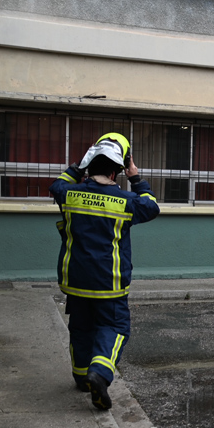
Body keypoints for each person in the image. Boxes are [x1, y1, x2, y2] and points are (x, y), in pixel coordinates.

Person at [49, 133, 160, 410]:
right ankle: (99, 373)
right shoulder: (126, 201)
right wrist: (135, 177)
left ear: (89, 164)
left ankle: (81, 376)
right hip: (109, 284)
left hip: (75, 280)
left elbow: (57, 185)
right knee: (114, 326)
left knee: (81, 327)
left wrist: (78, 167)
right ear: (117, 171)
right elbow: (151, 205)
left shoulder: (69, 194)